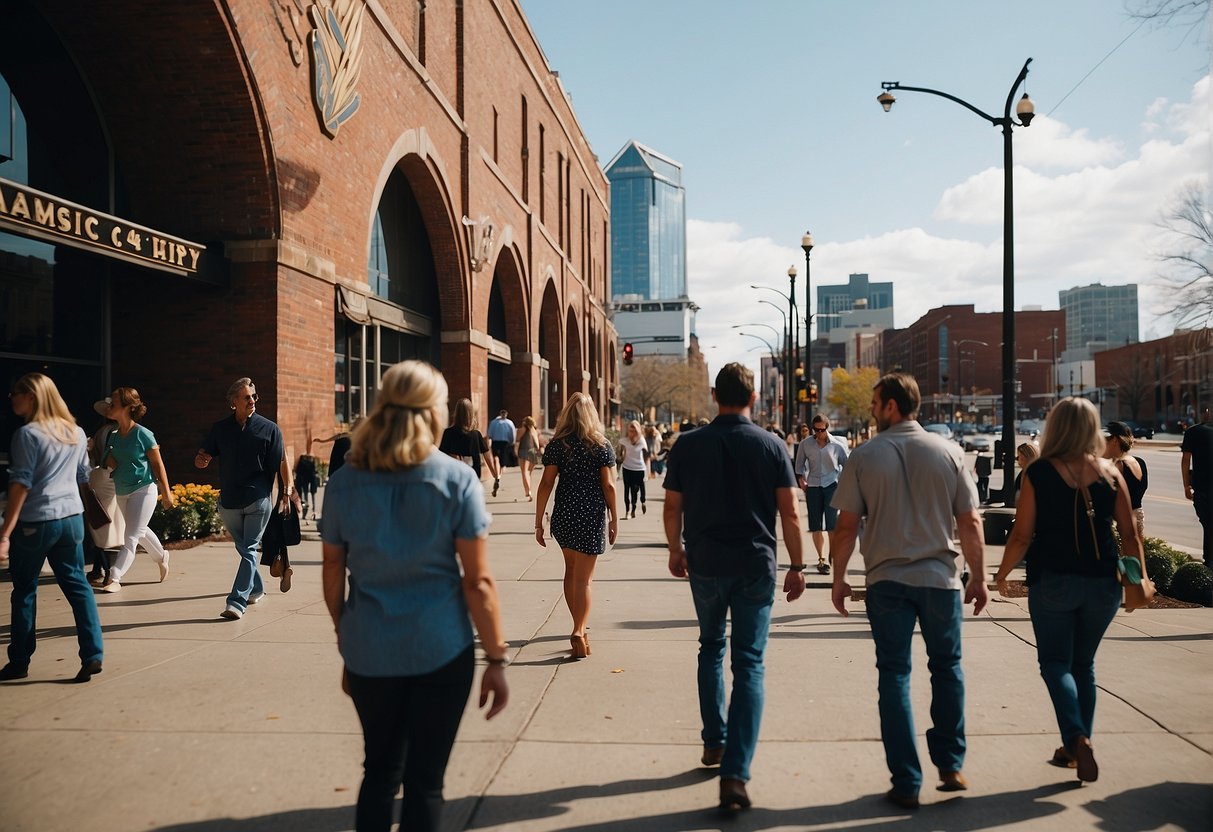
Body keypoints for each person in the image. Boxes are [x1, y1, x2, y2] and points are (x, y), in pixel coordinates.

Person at [320, 360, 509, 832]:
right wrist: (497, 658)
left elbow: (331, 566)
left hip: (370, 647)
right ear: (433, 412)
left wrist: (345, 630)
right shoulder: (456, 480)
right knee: (426, 782)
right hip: (441, 648)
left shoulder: (344, 481)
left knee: (379, 772)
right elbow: (478, 581)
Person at [831, 373, 987, 810]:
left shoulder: (863, 457)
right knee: (947, 669)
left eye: (876, 402)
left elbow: (846, 528)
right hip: (940, 579)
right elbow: (971, 522)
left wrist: (840, 578)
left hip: (887, 581)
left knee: (895, 676)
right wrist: (979, 576)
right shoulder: (950, 452)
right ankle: (952, 765)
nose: (872, 409)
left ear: (892, 407)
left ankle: (905, 780)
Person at [664, 363, 806, 811]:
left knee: (710, 648)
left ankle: (714, 742)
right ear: (754, 397)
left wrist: (675, 548)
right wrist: (798, 564)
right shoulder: (771, 445)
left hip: (705, 562)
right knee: (750, 665)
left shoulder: (687, 445)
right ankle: (736, 773)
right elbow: (790, 512)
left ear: (712, 394)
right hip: (754, 564)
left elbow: (672, 508)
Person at [994, 397, 1145, 784]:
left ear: (1055, 426)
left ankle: (1076, 738)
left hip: (1054, 581)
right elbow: (1130, 535)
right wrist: (1139, 578)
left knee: (1055, 664)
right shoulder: (1112, 473)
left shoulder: (1039, 473)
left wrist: (1001, 572)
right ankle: (1076, 746)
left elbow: (1023, 533)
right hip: (1102, 585)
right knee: (1084, 665)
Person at [0, 372, 105, 683]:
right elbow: (83, 476)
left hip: (37, 520)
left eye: (15, 394)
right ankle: (93, 653)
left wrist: (5, 533)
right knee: (78, 586)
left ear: (31, 397)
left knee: (25, 590)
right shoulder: (74, 431)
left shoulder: (28, 435)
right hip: (71, 518)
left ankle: (19, 662)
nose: (11, 400)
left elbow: (21, 483)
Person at [195, 377, 294, 620]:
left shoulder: (270, 429)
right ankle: (257, 588)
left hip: (257, 499)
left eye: (254, 396)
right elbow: (204, 454)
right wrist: (201, 460)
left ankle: (236, 602)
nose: (252, 400)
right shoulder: (220, 429)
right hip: (228, 501)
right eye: (247, 397)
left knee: (249, 548)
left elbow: (281, 462)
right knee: (244, 548)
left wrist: (286, 491)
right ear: (233, 403)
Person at [533, 392, 618, 659]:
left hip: (565, 514)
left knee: (570, 572)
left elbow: (546, 483)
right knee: (585, 579)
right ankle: (579, 629)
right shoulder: (601, 445)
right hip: (591, 515)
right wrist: (615, 517)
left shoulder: (558, 444)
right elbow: (609, 485)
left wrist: (538, 522)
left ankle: (577, 625)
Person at [95, 387, 176, 592]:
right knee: (138, 532)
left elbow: (158, 465)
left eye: (113, 403)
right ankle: (162, 556)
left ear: (128, 407)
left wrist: (166, 492)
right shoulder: (113, 436)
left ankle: (114, 577)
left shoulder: (143, 434)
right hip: (122, 490)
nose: (110, 406)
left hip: (144, 488)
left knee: (130, 537)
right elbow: (109, 461)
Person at [794, 413, 849, 575]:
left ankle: (832, 556)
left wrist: (843, 485)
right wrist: (801, 480)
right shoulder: (806, 444)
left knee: (832, 525)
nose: (818, 433)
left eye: (821, 430)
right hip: (813, 487)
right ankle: (821, 559)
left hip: (832, 485)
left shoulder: (837, 446)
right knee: (815, 524)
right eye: (815, 430)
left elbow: (846, 467)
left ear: (827, 428)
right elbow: (799, 466)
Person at [439, 399, 499, 490]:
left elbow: (442, 454)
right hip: (474, 472)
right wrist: (494, 473)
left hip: (455, 472)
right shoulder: (476, 434)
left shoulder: (448, 433)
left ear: (456, 413)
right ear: (471, 414)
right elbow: (487, 455)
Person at [1103, 421, 1148, 538]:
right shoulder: (1139, 462)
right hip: (1138, 516)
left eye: (1105, 439)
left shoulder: (1117, 465)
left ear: (1115, 440)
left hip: (1121, 521)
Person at [1180, 407, 1212, 568]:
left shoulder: (1193, 432)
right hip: (1203, 489)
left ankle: (1209, 562)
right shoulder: (1194, 432)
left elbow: (1186, 460)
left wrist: (1187, 485)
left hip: (1202, 489)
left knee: (1208, 524)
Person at [619, 420, 649, 519]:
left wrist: (648, 469)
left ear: (637, 431)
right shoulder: (624, 440)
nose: (631, 433)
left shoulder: (641, 440)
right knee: (627, 489)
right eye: (630, 430)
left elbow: (646, 455)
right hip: (627, 467)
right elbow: (620, 453)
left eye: (634, 431)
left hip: (639, 469)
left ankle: (634, 508)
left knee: (635, 490)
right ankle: (627, 511)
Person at [486, 409, 516, 497]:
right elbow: (512, 434)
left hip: (495, 441)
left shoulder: (493, 422)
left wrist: (490, 440)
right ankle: (499, 476)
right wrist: (512, 442)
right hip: (505, 443)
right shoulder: (509, 423)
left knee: (496, 458)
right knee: (503, 462)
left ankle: (497, 476)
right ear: (506, 414)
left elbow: (489, 433)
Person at [515, 415, 543, 500]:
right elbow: (537, 445)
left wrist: (515, 451)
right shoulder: (535, 431)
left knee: (524, 472)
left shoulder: (522, 430)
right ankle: (529, 490)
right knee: (529, 473)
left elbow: (517, 440)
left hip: (524, 451)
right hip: (533, 452)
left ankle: (528, 492)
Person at [294, 453, 320, 520]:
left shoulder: (301, 462)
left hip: (302, 482)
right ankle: (312, 512)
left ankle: (304, 513)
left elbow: (297, 471)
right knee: (308, 498)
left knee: (304, 498)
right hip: (308, 481)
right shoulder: (311, 462)